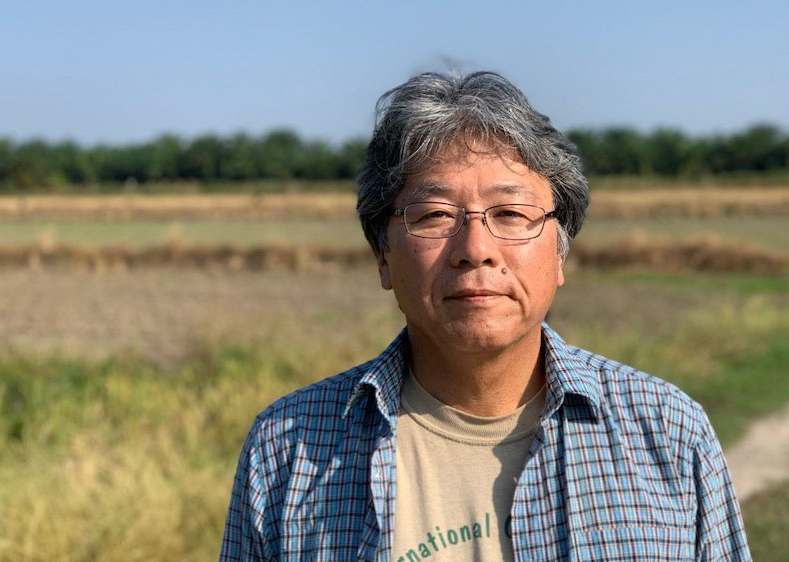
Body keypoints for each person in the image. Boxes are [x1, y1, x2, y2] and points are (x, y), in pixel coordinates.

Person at [220, 71, 751, 561]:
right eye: (435, 214)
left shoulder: (668, 432)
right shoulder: (288, 448)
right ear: (383, 256)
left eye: (511, 213)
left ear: (559, 253)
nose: (475, 249)